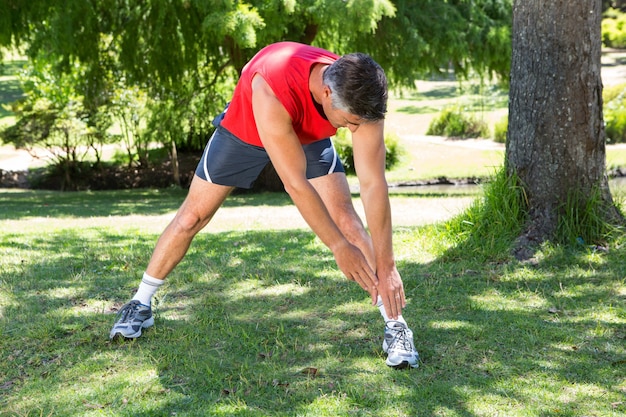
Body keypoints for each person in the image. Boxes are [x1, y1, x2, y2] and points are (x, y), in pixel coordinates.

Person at [109, 41, 420, 369]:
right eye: (350, 122)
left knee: (348, 220)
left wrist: (386, 266)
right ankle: (140, 303)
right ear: (327, 94)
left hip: (307, 136)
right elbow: (295, 184)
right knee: (192, 217)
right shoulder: (272, 84)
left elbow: (373, 184)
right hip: (246, 132)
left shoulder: (361, 91)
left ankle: (395, 324)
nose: (355, 130)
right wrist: (337, 247)